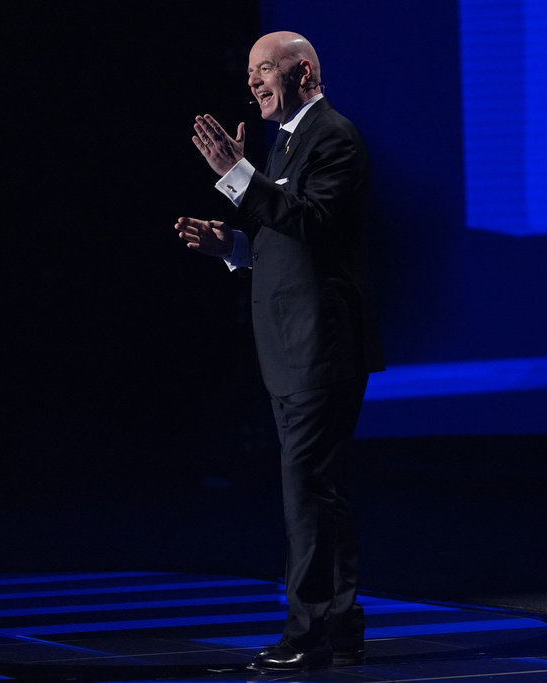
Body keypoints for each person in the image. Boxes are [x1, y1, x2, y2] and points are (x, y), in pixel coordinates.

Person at [174, 31, 384, 673]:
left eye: (264, 68)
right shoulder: (288, 141)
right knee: (320, 490)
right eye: (250, 72)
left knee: (306, 490)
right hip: (295, 348)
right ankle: (338, 627)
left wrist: (236, 177)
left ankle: (307, 633)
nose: (253, 81)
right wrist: (235, 247)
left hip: (321, 345)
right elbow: (289, 239)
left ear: (305, 73)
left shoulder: (333, 136)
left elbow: (315, 222)